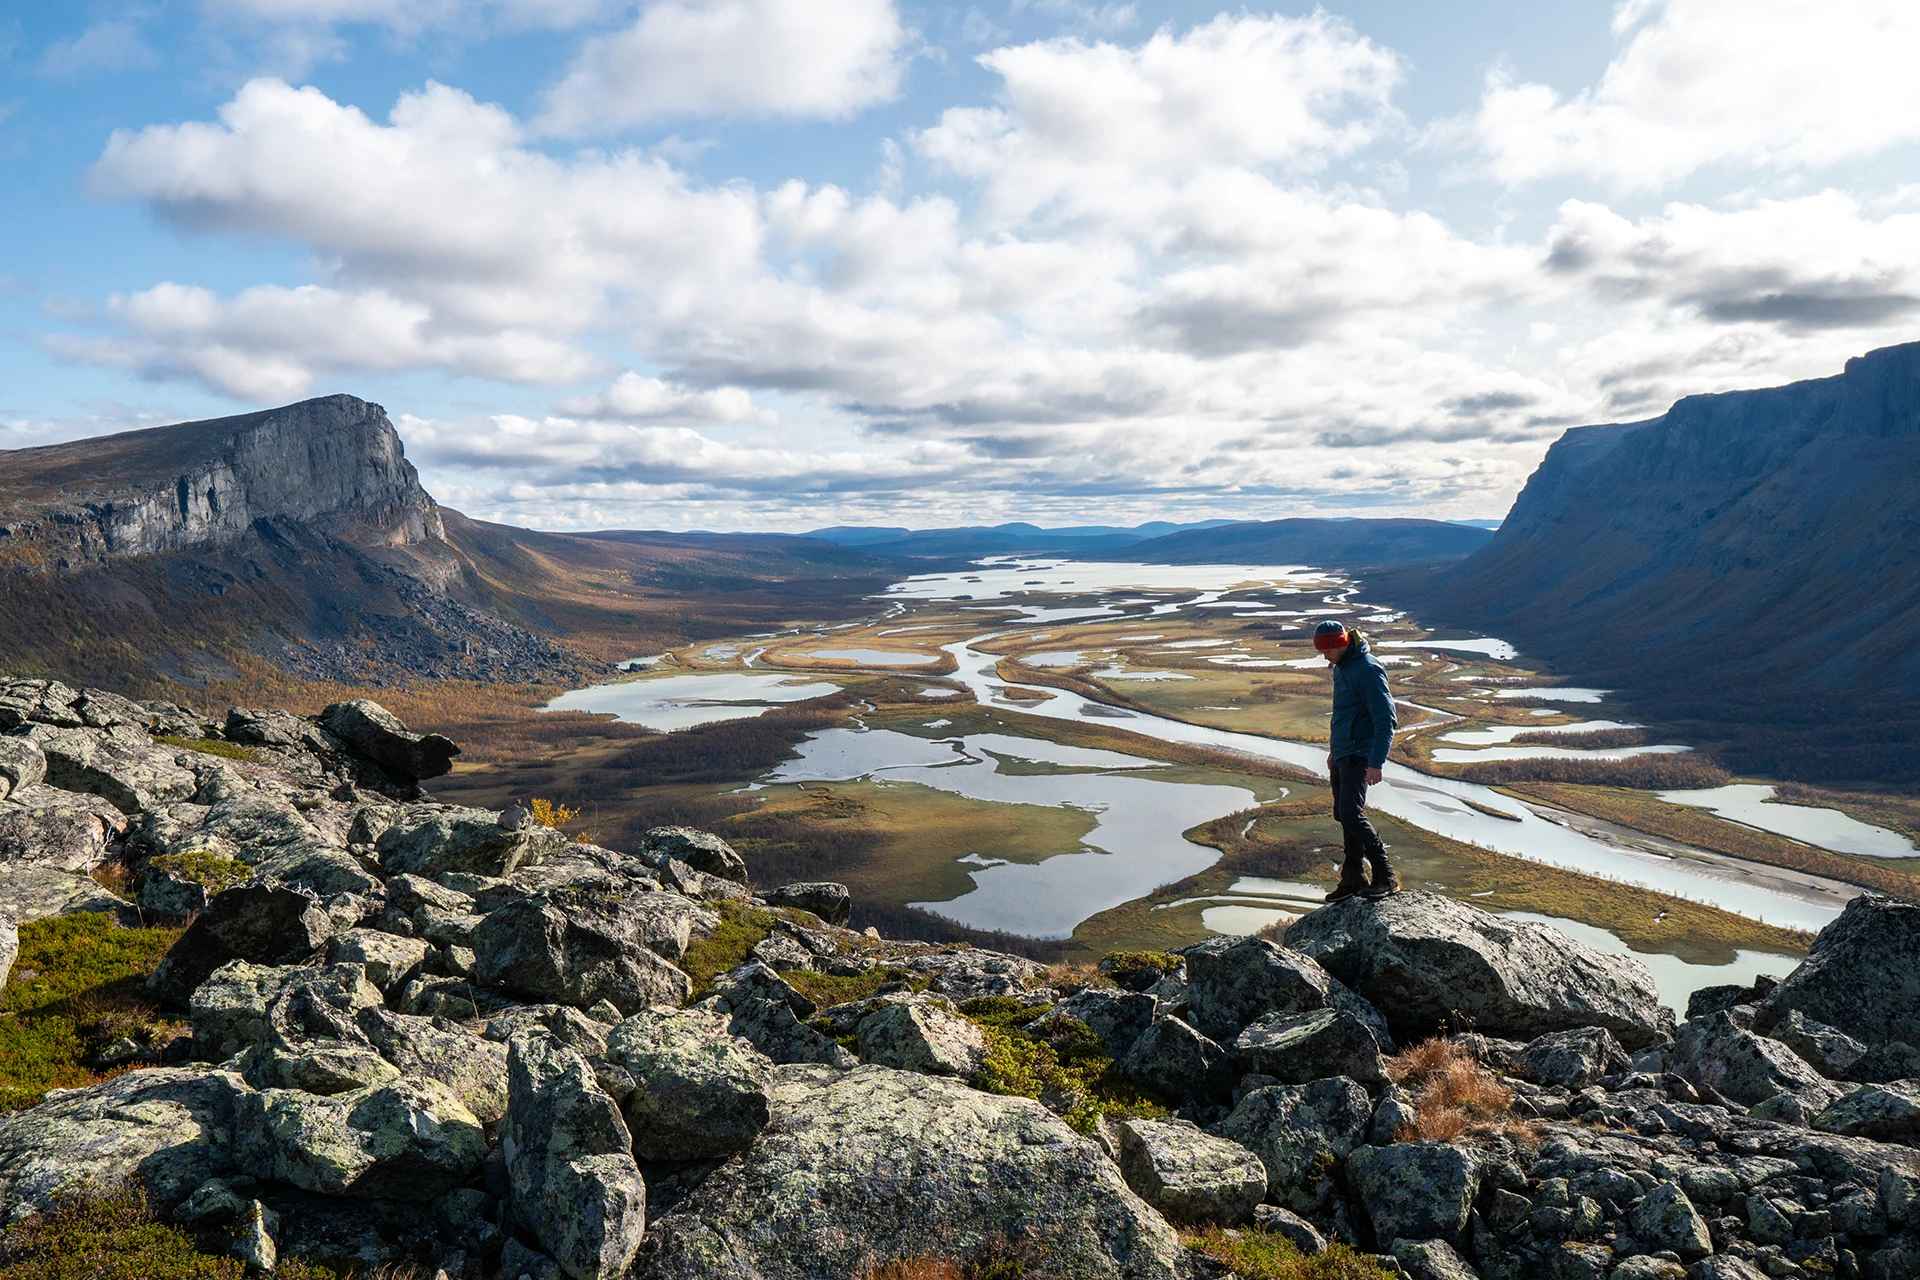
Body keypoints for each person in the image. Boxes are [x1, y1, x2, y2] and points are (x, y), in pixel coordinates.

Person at [1313, 619, 1400, 902]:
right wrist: (1334, 751)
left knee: (1351, 814)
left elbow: (1385, 718)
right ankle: (1353, 878)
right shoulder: (1342, 667)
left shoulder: (1367, 669)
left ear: (1340, 644)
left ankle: (1386, 876)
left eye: (1327, 651)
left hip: (1359, 754)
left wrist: (1376, 762)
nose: (1324, 657)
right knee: (1344, 815)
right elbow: (1345, 714)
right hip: (1343, 753)